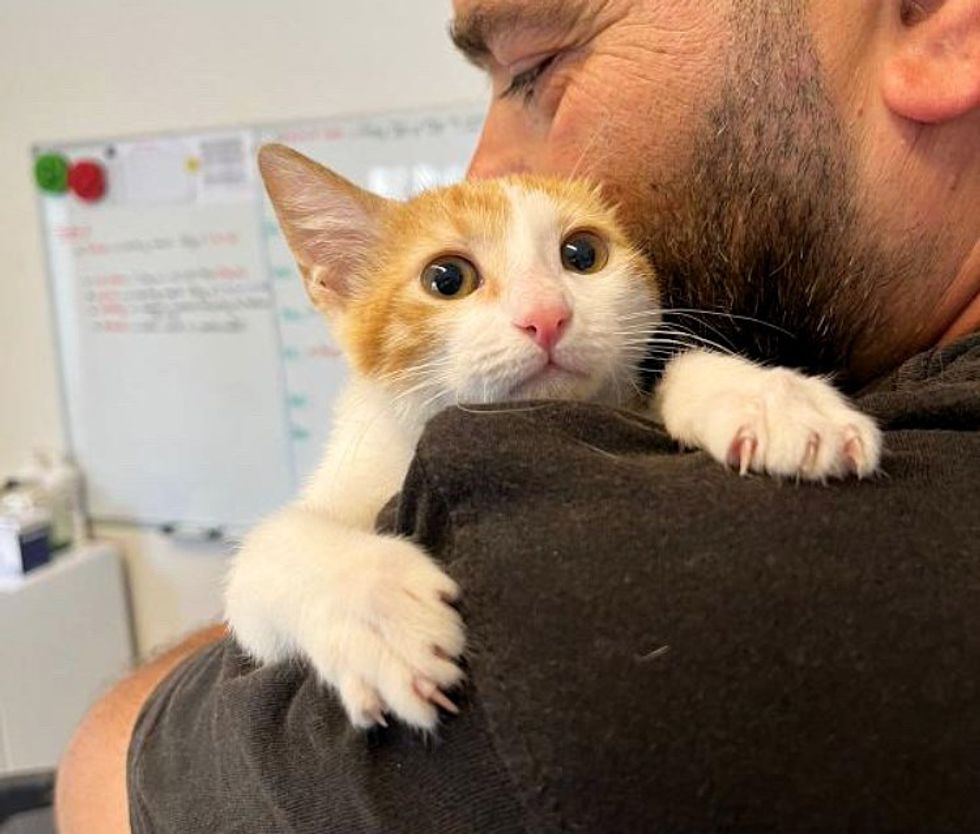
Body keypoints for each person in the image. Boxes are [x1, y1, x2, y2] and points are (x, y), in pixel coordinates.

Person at [57, 1, 980, 832]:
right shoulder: (383, 437)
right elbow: (274, 569)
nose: (543, 311)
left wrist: (702, 385)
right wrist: (331, 587)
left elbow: (108, 771)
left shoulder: (582, 630)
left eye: (583, 253)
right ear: (335, 283)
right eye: (451, 280)